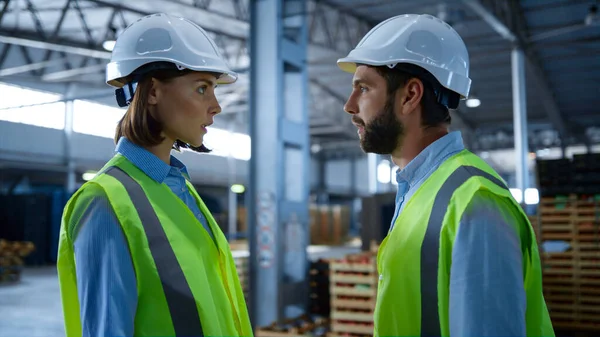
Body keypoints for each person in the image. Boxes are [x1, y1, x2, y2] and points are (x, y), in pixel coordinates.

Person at [337, 14, 554, 337]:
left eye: (364, 88)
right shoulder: (419, 189)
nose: (349, 106)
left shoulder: (475, 203)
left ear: (410, 95)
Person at [56, 13, 253, 337]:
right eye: (203, 88)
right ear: (152, 93)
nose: (216, 106)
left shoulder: (178, 189)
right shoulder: (104, 203)